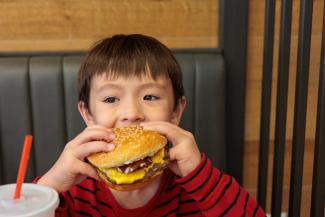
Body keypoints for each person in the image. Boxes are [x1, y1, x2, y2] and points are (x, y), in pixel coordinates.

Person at [36, 34, 265, 217]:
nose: (132, 114)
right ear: (88, 114)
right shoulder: (75, 189)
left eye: (150, 97)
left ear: (176, 111)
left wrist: (201, 177)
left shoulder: (197, 187)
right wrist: (50, 186)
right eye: (110, 99)